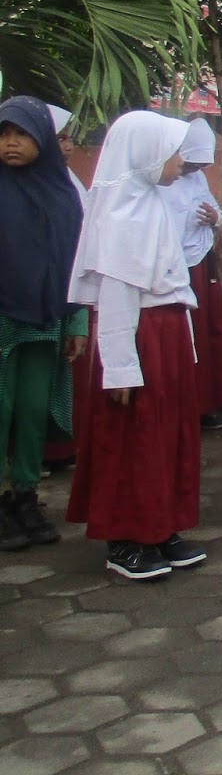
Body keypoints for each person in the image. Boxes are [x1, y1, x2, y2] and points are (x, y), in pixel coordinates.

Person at [66, 111, 205, 581]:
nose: (181, 162)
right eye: (173, 153)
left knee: (166, 436)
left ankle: (160, 525)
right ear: (145, 156)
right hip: (139, 339)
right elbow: (118, 299)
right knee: (134, 437)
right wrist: (120, 368)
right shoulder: (122, 217)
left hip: (165, 337)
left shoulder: (152, 204)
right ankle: (125, 537)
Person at [0, 98, 87, 551]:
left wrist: (77, 321)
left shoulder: (62, 192)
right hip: (3, 320)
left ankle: (27, 493)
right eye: (4, 134)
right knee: (0, 409)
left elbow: (76, 260)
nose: (11, 143)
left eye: (22, 134)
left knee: (33, 411)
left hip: (46, 318)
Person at [161, 119, 222, 430]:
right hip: (170, 267)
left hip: (199, 264)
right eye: (192, 162)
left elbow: (215, 211)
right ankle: (178, 408)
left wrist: (215, 217)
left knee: (203, 335)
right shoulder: (163, 179)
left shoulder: (198, 179)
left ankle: (203, 404)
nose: (194, 168)